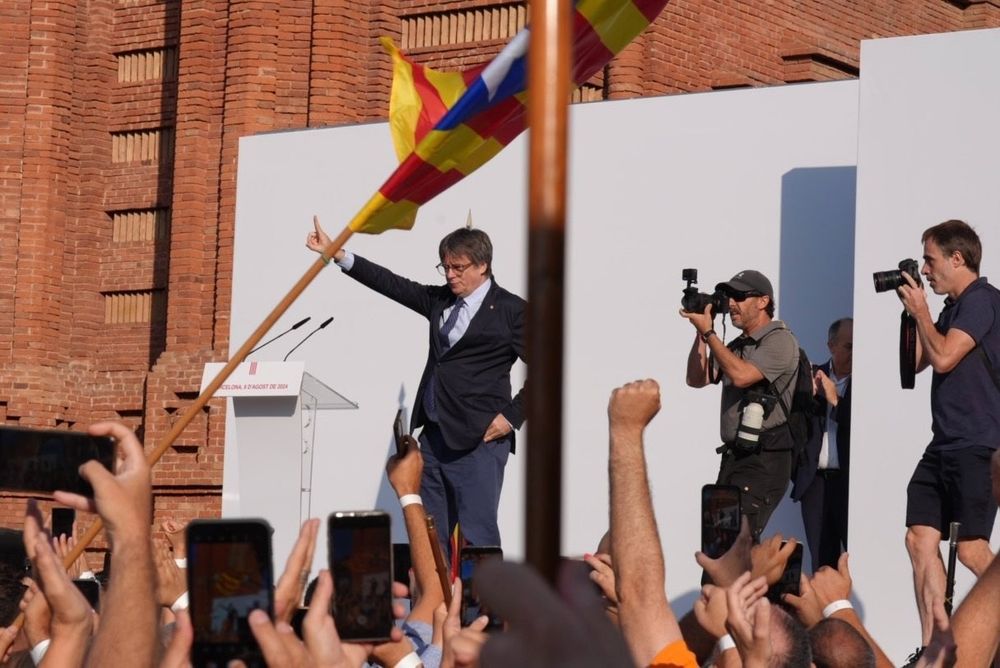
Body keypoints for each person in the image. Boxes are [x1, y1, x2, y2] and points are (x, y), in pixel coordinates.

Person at [307, 218, 526, 553]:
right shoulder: (440, 300)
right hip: (434, 438)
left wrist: (509, 418)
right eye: (445, 267)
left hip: (480, 440)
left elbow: (547, 370)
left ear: (483, 266)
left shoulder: (512, 311)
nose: (450, 275)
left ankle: (480, 608)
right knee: (428, 537)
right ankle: (433, 605)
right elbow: (392, 284)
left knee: (476, 538)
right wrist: (338, 254)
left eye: (458, 267)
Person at [895, 219, 1000, 649]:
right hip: (944, 443)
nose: (924, 270)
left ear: (958, 259)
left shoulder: (981, 301)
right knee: (919, 538)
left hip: (977, 443)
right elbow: (913, 366)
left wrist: (922, 312)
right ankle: (934, 647)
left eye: (930, 260)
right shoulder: (950, 308)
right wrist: (911, 315)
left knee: (973, 548)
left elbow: (943, 359)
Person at [682, 270, 800, 537]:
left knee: (736, 543)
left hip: (764, 461)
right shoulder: (736, 345)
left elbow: (742, 375)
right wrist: (701, 332)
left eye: (739, 296)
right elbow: (696, 378)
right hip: (735, 458)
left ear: (763, 301)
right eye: (729, 297)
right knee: (718, 542)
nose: (731, 303)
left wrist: (710, 332)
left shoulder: (780, 340)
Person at [792, 317, 853, 572]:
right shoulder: (810, 377)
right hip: (815, 484)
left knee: (852, 560)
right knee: (821, 564)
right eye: (849, 346)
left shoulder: (867, 382)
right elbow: (794, 426)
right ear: (831, 346)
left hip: (849, 484)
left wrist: (835, 398)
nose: (854, 353)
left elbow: (862, 423)